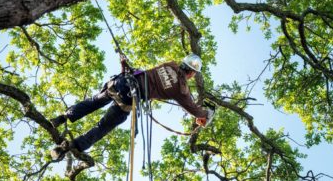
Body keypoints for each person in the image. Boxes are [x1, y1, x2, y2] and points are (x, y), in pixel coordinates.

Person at [50, 54, 214, 160]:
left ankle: (62, 117)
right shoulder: (182, 89)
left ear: (182, 63)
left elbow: (152, 76)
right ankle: (68, 147)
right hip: (129, 98)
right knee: (103, 126)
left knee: (93, 101)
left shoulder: (170, 64)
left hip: (121, 82)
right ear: (192, 74)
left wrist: (125, 66)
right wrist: (206, 114)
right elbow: (193, 108)